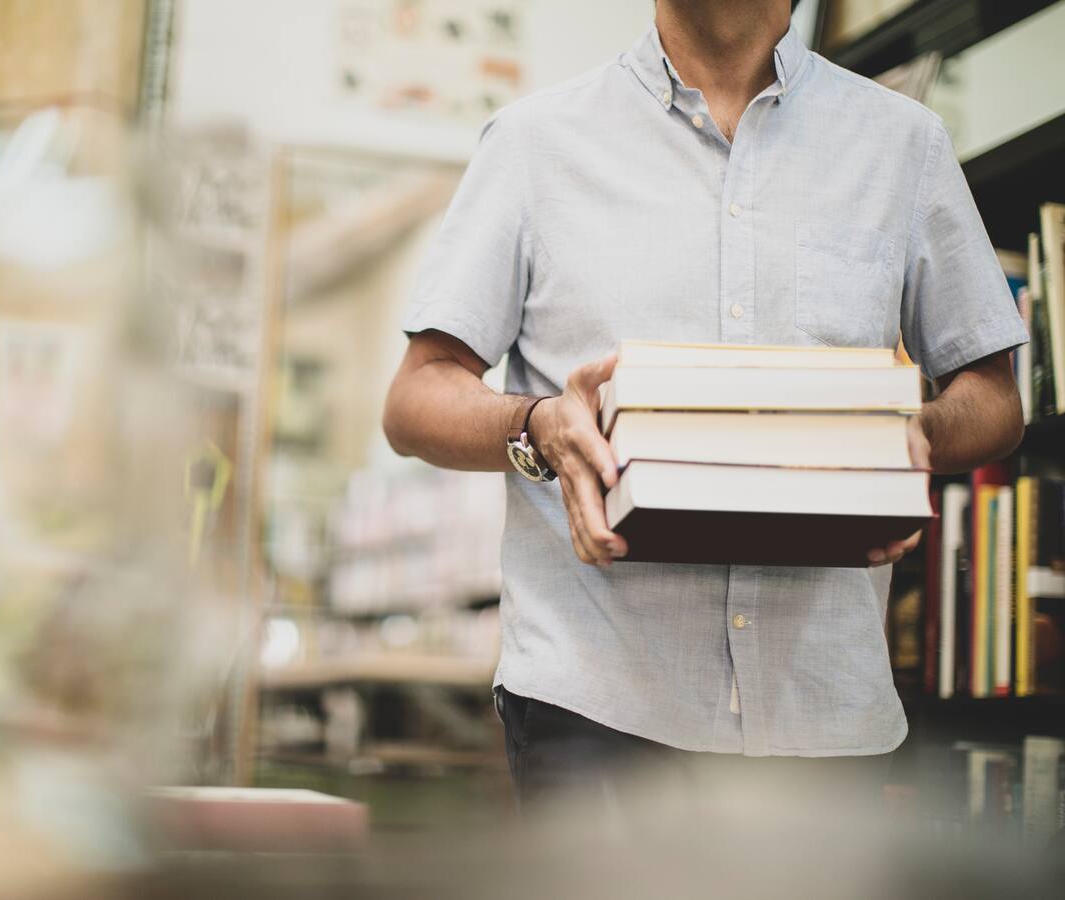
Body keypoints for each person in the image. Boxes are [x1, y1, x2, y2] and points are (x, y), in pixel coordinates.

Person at [382, 0, 1027, 814]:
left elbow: (994, 397)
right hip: (594, 705)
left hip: (825, 716)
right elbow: (417, 396)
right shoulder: (533, 143)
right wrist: (536, 423)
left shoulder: (904, 145)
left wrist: (910, 436)